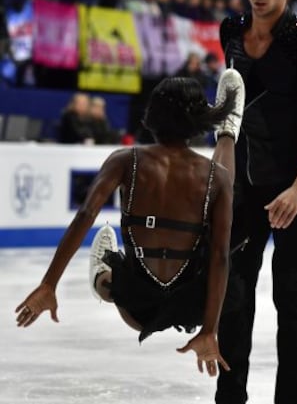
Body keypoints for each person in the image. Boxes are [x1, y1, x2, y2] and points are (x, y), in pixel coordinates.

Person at [15, 70, 245, 377]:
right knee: (223, 185)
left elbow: (85, 216)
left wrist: (49, 284)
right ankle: (228, 131)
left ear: (153, 114)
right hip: (194, 302)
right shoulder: (216, 178)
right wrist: (209, 329)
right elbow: (218, 255)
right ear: (199, 121)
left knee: (117, 280)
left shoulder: (125, 160)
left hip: (137, 308)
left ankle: (102, 276)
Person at [214, 0, 297, 404]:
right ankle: (229, 396)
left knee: (288, 287)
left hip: (293, 188)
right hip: (245, 187)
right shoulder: (230, 31)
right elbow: (231, 105)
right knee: (236, 289)